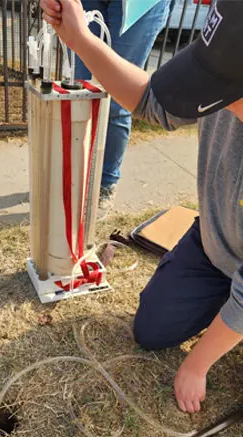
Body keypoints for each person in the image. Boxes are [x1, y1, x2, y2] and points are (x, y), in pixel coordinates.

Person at [41, 0, 243, 414]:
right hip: (216, 240)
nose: (204, 96)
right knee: (152, 329)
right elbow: (153, 101)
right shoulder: (229, 69)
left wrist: (197, 365)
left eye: (214, 88)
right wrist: (80, 40)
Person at [74, 0, 170, 217]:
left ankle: (106, 183)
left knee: (117, 101)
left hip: (139, 4)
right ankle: (77, 177)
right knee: (80, 94)